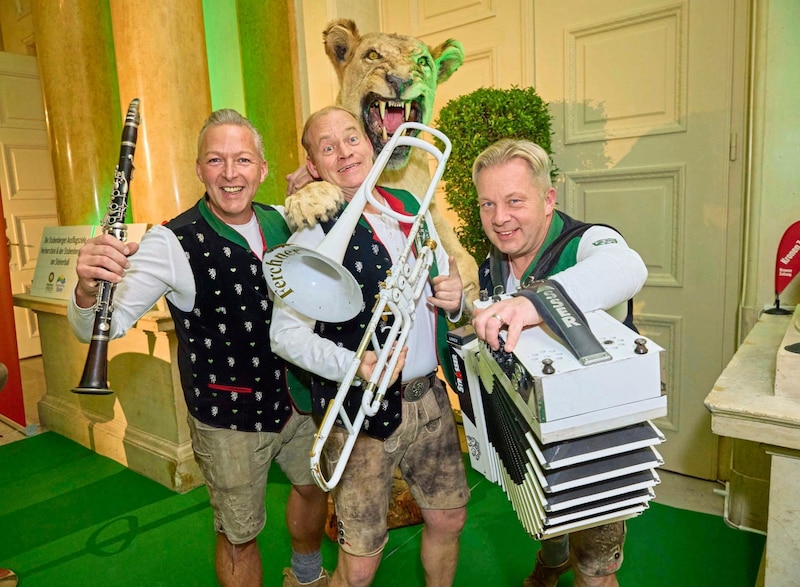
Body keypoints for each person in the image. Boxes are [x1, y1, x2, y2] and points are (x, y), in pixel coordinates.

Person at [67, 109, 331, 587]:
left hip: (298, 400)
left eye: (243, 159)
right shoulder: (170, 241)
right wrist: (88, 291)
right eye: (216, 160)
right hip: (227, 416)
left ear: (263, 169)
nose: (230, 174)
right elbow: (98, 327)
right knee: (238, 535)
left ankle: (308, 577)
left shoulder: (286, 222)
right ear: (198, 169)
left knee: (313, 490)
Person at [270, 106, 470, 587]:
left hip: (429, 399)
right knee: (360, 559)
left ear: (371, 141)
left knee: (448, 519)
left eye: (351, 138)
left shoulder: (408, 204)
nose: (344, 152)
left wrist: (456, 297)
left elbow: (445, 282)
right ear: (313, 166)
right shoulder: (314, 226)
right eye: (327, 146)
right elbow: (285, 335)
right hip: (356, 412)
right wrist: (354, 364)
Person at [469, 138, 648, 587]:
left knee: (594, 567)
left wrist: (534, 304)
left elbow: (627, 268)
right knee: (543, 517)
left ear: (549, 199)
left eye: (514, 201)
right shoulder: (496, 258)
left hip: (598, 440)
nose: (499, 218)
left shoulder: (586, 241)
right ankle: (549, 565)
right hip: (536, 433)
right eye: (487, 204)